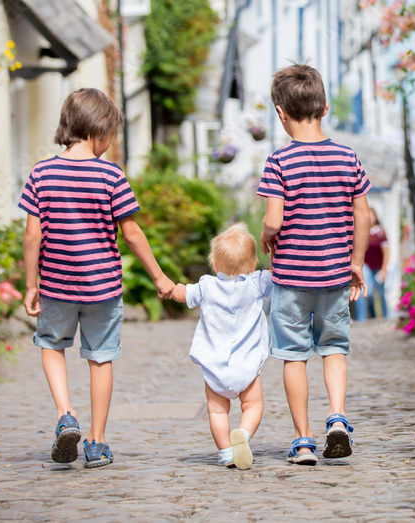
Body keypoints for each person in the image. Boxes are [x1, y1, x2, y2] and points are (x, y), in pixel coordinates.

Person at [20, 88, 174, 469]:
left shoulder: (41, 173)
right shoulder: (111, 175)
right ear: (101, 130)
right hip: (102, 286)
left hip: (56, 284)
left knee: (52, 345)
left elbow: (31, 235)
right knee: (101, 358)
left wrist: (30, 283)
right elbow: (132, 232)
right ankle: (97, 441)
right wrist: (159, 277)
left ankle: (65, 414)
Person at [258, 63, 371, 466]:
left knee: (293, 354)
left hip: (291, 278)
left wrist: (268, 237)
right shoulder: (347, 157)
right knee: (334, 348)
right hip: (336, 274)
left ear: (280, 113)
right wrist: (356, 262)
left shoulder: (278, 163)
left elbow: (274, 219)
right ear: (325, 108)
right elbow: (364, 215)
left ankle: (303, 440)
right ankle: (337, 418)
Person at [166, 223, 271, 469]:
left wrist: (170, 288)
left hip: (215, 368)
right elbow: (277, 274)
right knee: (253, 405)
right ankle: (243, 435)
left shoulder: (206, 286)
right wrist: (274, 248)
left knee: (217, 411)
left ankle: (225, 452)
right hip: (246, 365)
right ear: (254, 262)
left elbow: (182, 294)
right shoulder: (257, 283)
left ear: (214, 262)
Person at [355, 208, 389, 321]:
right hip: (367, 266)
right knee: (365, 293)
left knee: (381, 294)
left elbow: (386, 252)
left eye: (371, 215)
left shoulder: (380, 232)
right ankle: (362, 319)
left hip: (379, 267)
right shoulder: (363, 232)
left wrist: (384, 270)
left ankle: (385, 318)